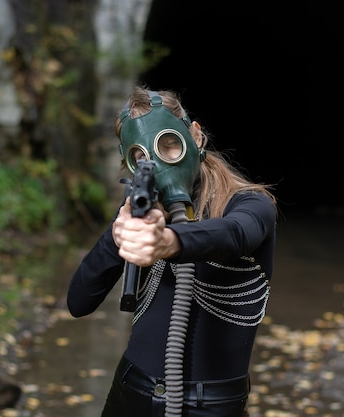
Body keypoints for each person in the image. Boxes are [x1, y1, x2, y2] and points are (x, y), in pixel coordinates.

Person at [67, 85, 278, 417]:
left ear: (194, 135)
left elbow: (236, 234)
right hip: (130, 390)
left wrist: (169, 241)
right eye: (143, 157)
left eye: (169, 146)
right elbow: (78, 303)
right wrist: (117, 235)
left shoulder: (250, 204)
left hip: (212, 406)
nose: (160, 164)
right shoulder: (142, 210)